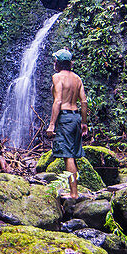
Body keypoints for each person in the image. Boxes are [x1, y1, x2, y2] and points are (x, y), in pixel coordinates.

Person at [44, 48, 88, 199]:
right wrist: (84, 122)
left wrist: (51, 124)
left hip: (64, 118)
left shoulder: (57, 77)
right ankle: (74, 190)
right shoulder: (77, 79)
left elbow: (58, 101)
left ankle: (74, 193)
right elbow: (84, 101)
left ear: (59, 63)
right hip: (75, 117)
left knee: (68, 156)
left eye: (55, 61)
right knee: (72, 155)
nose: (54, 63)